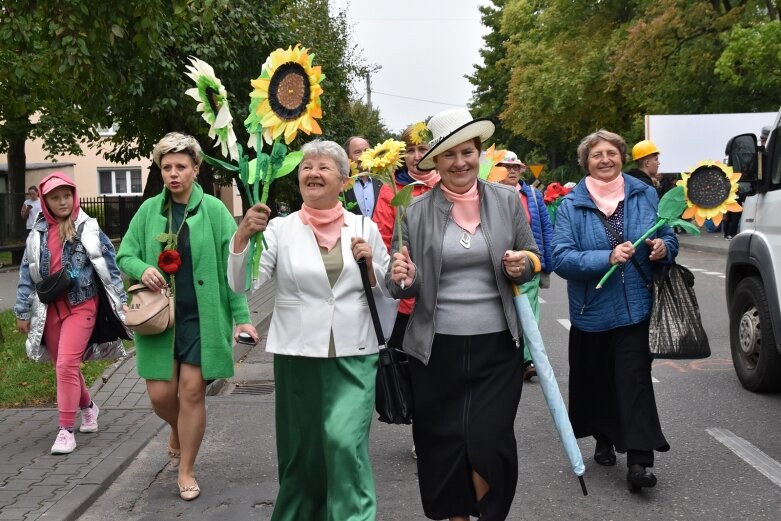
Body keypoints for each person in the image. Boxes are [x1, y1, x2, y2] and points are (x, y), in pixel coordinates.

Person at [227, 139, 391, 521]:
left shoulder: (364, 226)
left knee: (344, 443)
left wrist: (372, 268)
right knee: (303, 450)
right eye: (306, 167)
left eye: (323, 167)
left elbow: (385, 287)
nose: (313, 173)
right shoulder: (280, 230)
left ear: (343, 180)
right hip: (297, 355)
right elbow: (242, 284)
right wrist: (241, 239)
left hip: (355, 352)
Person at [388, 107, 539, 521]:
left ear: (479, 153)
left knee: (489, 441)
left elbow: (534, 257)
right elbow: (398, 283)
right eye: (449, 154)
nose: (460, 162)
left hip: (496, 350)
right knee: (445, 446)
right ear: (436, 161)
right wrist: (403, 276)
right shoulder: (414, 212)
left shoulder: (507, 201)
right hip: (435, 353)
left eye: (467, 152)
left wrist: (521, 264)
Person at [116, 132, 257, 501]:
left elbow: (234, 267)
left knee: (193, 392)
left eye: (181, 166)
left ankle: (186, 470)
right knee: (162, 396)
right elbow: (124, 255)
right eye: (167, 167)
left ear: (196, 169)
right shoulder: (149, 211)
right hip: (159, 318)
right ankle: (177, 428)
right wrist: (143, 267)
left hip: (202, 318)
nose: (174, 174)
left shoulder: (213, 210)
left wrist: (242, 317)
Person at [551, 129, 678, 493]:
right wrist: (605, 257)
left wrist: (662, 249)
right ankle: (604, 438)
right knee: (597, 380)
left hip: (636, 308)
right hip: (591, 311)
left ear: (622, 156)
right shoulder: (571, 205)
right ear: (585, 162)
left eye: (611, 152)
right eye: (596, 155)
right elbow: (560, 257)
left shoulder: (645, 194)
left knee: (633, 381)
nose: (605, 159)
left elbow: (669, 236)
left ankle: (640, 461)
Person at [14, 172, 127, 455]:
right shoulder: (37, 233)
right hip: (50, 308)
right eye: (55, 197)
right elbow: (27, 274)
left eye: (66, 195)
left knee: (65, 365)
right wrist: (21, 311)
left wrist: (122, 302)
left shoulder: (88, 227)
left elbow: (109, 267)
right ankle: (89, 407)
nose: (62, 201)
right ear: (45, 201)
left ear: (74, 196)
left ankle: (65, 430)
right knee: (64, 367)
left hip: (83, 305)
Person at [373, 120, 438, 351]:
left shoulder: (448, 184)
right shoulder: (392, 188)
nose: (416, 156)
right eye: (410, 151)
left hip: (444, 293)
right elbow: (381, 237)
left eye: (422, 148)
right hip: (406, 296)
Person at [497, 150, 554, 381]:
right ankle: (508, 355)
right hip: (497, 264)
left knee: (529, 310)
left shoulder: (531, 193)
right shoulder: (487, 193)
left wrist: (546, 262)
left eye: (515, 167)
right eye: (505, 166)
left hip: (528, 262)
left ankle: (529, 359)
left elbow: (545, 227)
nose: (511, 170)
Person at [343, 135, 382, 217]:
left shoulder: (383, 182)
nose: (364, 156)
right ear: (348, 157)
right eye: (357, 152)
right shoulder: (341, 185)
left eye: (367, 151)